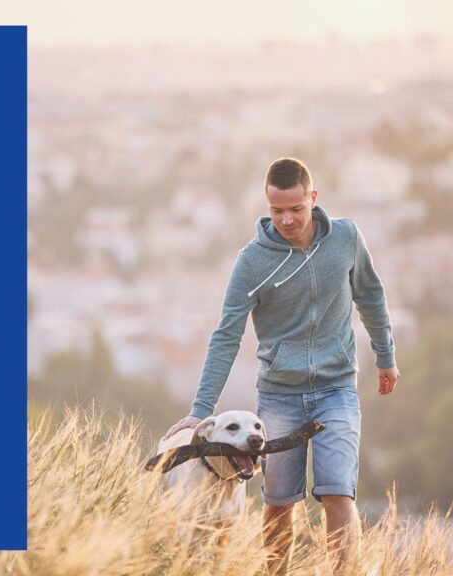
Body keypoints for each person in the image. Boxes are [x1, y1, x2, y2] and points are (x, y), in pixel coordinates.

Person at [165, 157, 399, 574]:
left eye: (296, 209)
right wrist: (200, 412)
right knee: (278, 503)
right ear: (267, 205)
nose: (287, 220)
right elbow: (226, 336)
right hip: (280, 393)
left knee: (337, 493)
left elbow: (370, 295)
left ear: (313, 198)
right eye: (277, 211)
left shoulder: (345, 238)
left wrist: (385, 356)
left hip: (337, 388)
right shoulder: (252, 262)